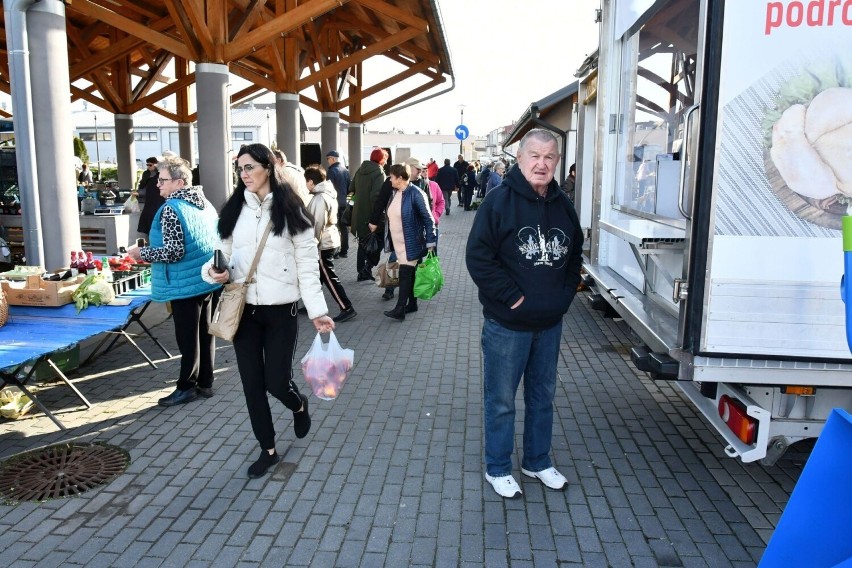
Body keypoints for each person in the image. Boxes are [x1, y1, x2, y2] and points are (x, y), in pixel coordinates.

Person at [202, 143, 335, 479]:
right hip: (243, 310)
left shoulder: (292, 210)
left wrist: (318, 311)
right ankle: (268, 449)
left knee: (277, 381)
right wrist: (215, 272)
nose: (244, 174)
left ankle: (298, 404)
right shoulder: (232, 210)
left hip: (281, 312)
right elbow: (222, 256)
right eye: (240, 169)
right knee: (251, 384)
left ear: (269, 167)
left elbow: (307, 268)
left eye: (250, 167)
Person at [465, 129, 584, 499]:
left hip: (549, 325)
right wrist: (512, 298)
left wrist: (563, 298)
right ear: (519, 158)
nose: (541, 163)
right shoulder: (498, 202)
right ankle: (497, 467)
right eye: (534, 155)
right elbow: (478, 258)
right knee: (500, 400)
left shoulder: (564, 205)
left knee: (542, 397)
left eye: (549, 157)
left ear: (557, 162)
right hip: (507, 325)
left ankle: (536, 461)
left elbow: (574, 256)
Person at [127, 155, 222, 408]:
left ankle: (185, 387)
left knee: (187, 337)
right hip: (206, 279)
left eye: (163, 180)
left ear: (179, 183)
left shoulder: (171, 208)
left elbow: (173, 252)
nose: (157, 185)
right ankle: (206, 383)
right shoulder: (204, 203)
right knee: (205, 332)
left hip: (184, 282)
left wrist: (141, 253)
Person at [372, 163, 436, 321]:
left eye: (392, 177)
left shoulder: (416, 193)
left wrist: (430, 242)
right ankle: (412, 304)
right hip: (399, 243)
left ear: (400, 178)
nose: (390, 180)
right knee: (411, 274)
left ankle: (400, 309)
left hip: (411, 243)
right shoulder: (396, 192)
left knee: (405, 274)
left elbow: (429, 220)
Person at [304, 166, 356, 323]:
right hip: (330, 239)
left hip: (323, 243)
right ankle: (311, 305)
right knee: (319, 276)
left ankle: (346, 307)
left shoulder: (319, 198)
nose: (305, 185)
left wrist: (312, 243)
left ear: (311, 182)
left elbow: (317, 224)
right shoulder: (327, 194)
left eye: (306, 181)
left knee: (329, 277)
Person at [350, 148, 387, 281]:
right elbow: (376, 196)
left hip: (358, 214)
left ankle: (361, 271)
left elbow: (351, 189)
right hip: (371, 216)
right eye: (385, 158)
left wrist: (356, 203)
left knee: (362, 243)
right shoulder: (379, 172)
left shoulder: (360, 170)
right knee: (378, 242)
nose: (386, 162)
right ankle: (366, 269)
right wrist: (376, 218)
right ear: (381, 159)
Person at [326, 150, 351, 258]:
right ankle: (344, 251)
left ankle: (335, 251)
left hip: (334, 203)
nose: (328, 161)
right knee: (344, 227)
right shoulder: (345, 170)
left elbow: (328, 188)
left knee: (334, 228)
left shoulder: (332, 171)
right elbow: (350, 189)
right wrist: (350, 202)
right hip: (344, 203)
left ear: (333, 159)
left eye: (328, 159)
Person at [136, 156, 165, 237]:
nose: (148, 167)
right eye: (147, 165)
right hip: (149, 200)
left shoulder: (160, 174)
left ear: (156, 165)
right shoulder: (146, 174)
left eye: (150, 165)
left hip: (157, 199)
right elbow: (143, 185)